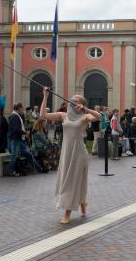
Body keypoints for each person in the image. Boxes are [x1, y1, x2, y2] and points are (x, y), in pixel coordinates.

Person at [39, 87, 100, 224]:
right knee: (65, 180)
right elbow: (43, 115)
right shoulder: (63, 116)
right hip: (66, 152)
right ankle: (83, 201)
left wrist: (86, 109)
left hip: (79, 153)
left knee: (73, 181)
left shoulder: (85, 116)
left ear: (81, 104)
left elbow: (99, 117)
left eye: (76, 101)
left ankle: (68, 212)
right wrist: (45, 96)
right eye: (72, 100)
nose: (72, 102)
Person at [8, 102, 43, 176]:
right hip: (15, 140)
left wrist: (24, 133)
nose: (23, 110)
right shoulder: (14, 116)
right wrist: (24, 132)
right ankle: (12, 171)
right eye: (22, 108)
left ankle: (38, 168)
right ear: (19, 108)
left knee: (28, 154)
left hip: (18, 140)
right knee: (14, 155)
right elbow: (15, 129)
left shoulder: (16, 116)